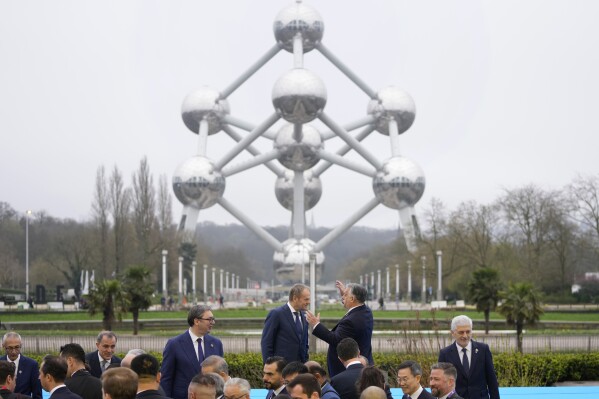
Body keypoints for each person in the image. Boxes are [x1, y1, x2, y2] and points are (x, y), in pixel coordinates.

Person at [306, 281, 373, 377]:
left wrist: (316, 324)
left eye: (345, 295)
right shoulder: (366, 311)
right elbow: (352, 305)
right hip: (361, 365)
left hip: (345, 371)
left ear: (352, 298)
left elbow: (335, 339)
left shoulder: (351, 321)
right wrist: (345, 293)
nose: (342, 297)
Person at [160, 305, 224, 399]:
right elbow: (166, 378)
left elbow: (220, 376)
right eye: (209, 319)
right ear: (196, 321)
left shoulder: (216, 343)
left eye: (213, 319)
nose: (212, 322)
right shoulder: (174, 344)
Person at [438, 315, 499, 399]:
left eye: (468, 331)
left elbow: (492, 380)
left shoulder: (483, 350)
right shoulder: (445, 354)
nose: (465, 336)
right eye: (461, 332)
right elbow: (441, 383)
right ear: (452, 333)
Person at [261, 284, 310, 364]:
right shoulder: (277, 314)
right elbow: (267, 343)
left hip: (300, 369)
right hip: (281, 369)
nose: (308, 302)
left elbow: (304, 343)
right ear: (295, 298)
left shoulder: (305, 316)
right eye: (306, 299)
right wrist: (268, 367)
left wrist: (305, 362)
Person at [1, 332, 42, 399]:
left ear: (21, 345)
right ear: (3, 346)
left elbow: (37, 394)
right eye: (10, 348)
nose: (14, 351)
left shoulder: (31, 365)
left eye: (17, 347)